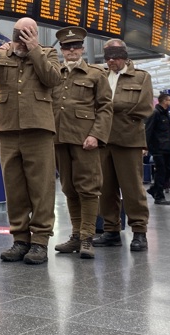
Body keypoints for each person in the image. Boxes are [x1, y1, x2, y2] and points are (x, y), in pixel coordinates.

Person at [0, 17, 61, 265]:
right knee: (14, 189)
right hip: (9, 128)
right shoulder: (2, 54)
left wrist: (34, 49)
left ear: (34, 34)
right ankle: (20, 239)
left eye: (26, 35)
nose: (20, 41)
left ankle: (40, 241)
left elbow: (53, 79)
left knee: (41, 188)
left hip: (39, 129)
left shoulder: (48, 53)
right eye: (17, 35)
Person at [51, 27, 113, 260]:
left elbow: (106, 107)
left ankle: (87, 237)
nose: (71, 51)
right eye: (67, 47)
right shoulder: (55, 73)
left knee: (88, 188)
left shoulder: (96, 74)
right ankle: (76, 235)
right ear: (62, 51)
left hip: (85, 139)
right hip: (59, 138)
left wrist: (96, 135)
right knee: (68, 188)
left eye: (75, 46)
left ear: (83, 49)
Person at [94, 39, 154, 252]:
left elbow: (144, 107)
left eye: (116, 57)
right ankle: (111, 231)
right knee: (105, 188)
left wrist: (110, 109)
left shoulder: (141, 77)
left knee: (132, 188)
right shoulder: (100, 76)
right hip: (103, 140)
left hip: (129, 141)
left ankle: (139, 231)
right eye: (108, 58)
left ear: (126, 56)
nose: (111, 61)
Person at [145, 92, 170, 205]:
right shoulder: (155, 113)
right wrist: (146, 146)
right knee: (161, 171)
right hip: (158, 148)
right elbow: (148, 130)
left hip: (166, 148)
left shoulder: (166, 114)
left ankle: (155, 189)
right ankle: (159, 195)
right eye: (169, 100)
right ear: (164, 101)